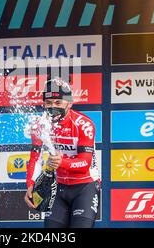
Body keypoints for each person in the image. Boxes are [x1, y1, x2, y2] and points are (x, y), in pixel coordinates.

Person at [24, 77, 100, 228]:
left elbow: (85, 163)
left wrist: (61, 162)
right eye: (49, 103)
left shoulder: (84, 124)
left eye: (58, 103)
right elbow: (36, 159)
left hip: (85, 187)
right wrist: (30, 185)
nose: (53, 107)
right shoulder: (39, 125)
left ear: (70, 103)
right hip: (58, 187)